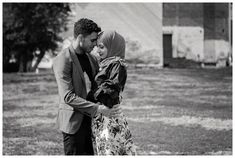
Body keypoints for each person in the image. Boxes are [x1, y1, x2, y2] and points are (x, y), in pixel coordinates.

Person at [52, 19, 122, 155]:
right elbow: (68, 97)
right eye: (92, 40)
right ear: (80, 38)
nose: (96, 44)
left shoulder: (92, 59)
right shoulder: (63, 59)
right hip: (73, 124)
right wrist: (98, 109)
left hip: (91, 122)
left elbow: (100, 85)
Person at [87, 30, 137, 155]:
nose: (98, 50)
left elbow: (111, 89)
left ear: (113, 46)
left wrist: (90, 95)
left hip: (110, 116)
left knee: (111, 150)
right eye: (97, 46)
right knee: (105, 150)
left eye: (102, 47)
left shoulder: (117, 65)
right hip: (103, 115)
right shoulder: (106, 64)